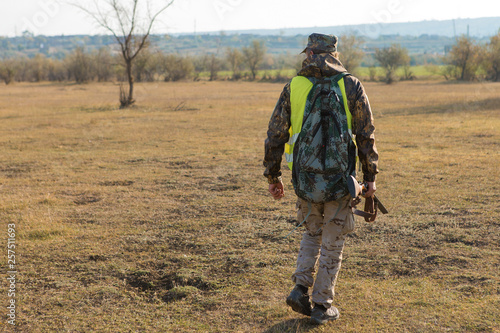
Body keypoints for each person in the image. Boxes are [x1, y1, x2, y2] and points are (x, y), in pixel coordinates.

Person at [263, 33, 379, 325]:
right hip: (341, 180)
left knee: (311, 233)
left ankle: (300, 287)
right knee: (333, 242)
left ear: (310, 53)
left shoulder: (295, 85)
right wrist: (370, 178)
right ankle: (322, 304)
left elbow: (276, 134)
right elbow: (366, 135)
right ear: (334, 54)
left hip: (305, 179)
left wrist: (273, 175)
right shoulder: (351, 84)